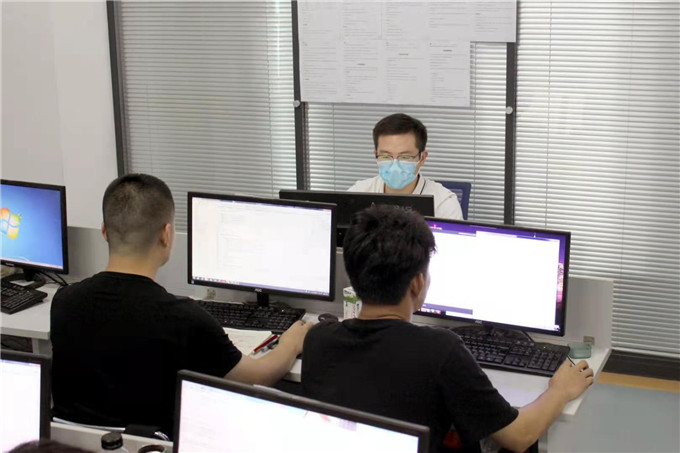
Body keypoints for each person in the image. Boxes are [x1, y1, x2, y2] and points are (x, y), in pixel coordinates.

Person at [301, 205, 594, 453]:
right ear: (417, 283)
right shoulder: (440, 350)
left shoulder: (317, 339)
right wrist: (559, 390)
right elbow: (518, 436)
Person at [51, 174, 311, 436]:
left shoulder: (63, 301)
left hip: (69, 444)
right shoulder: (183, 318)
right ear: (166, 235)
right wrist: (291, 343)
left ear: (104, 231)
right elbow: (257, 376)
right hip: (152, 447)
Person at [348, 113, 463, 220]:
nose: (395, 166)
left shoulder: (443, 203)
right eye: (385, 156)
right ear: (376, 155)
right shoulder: (358, 194)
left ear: (422, 158)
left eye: (405, 157)